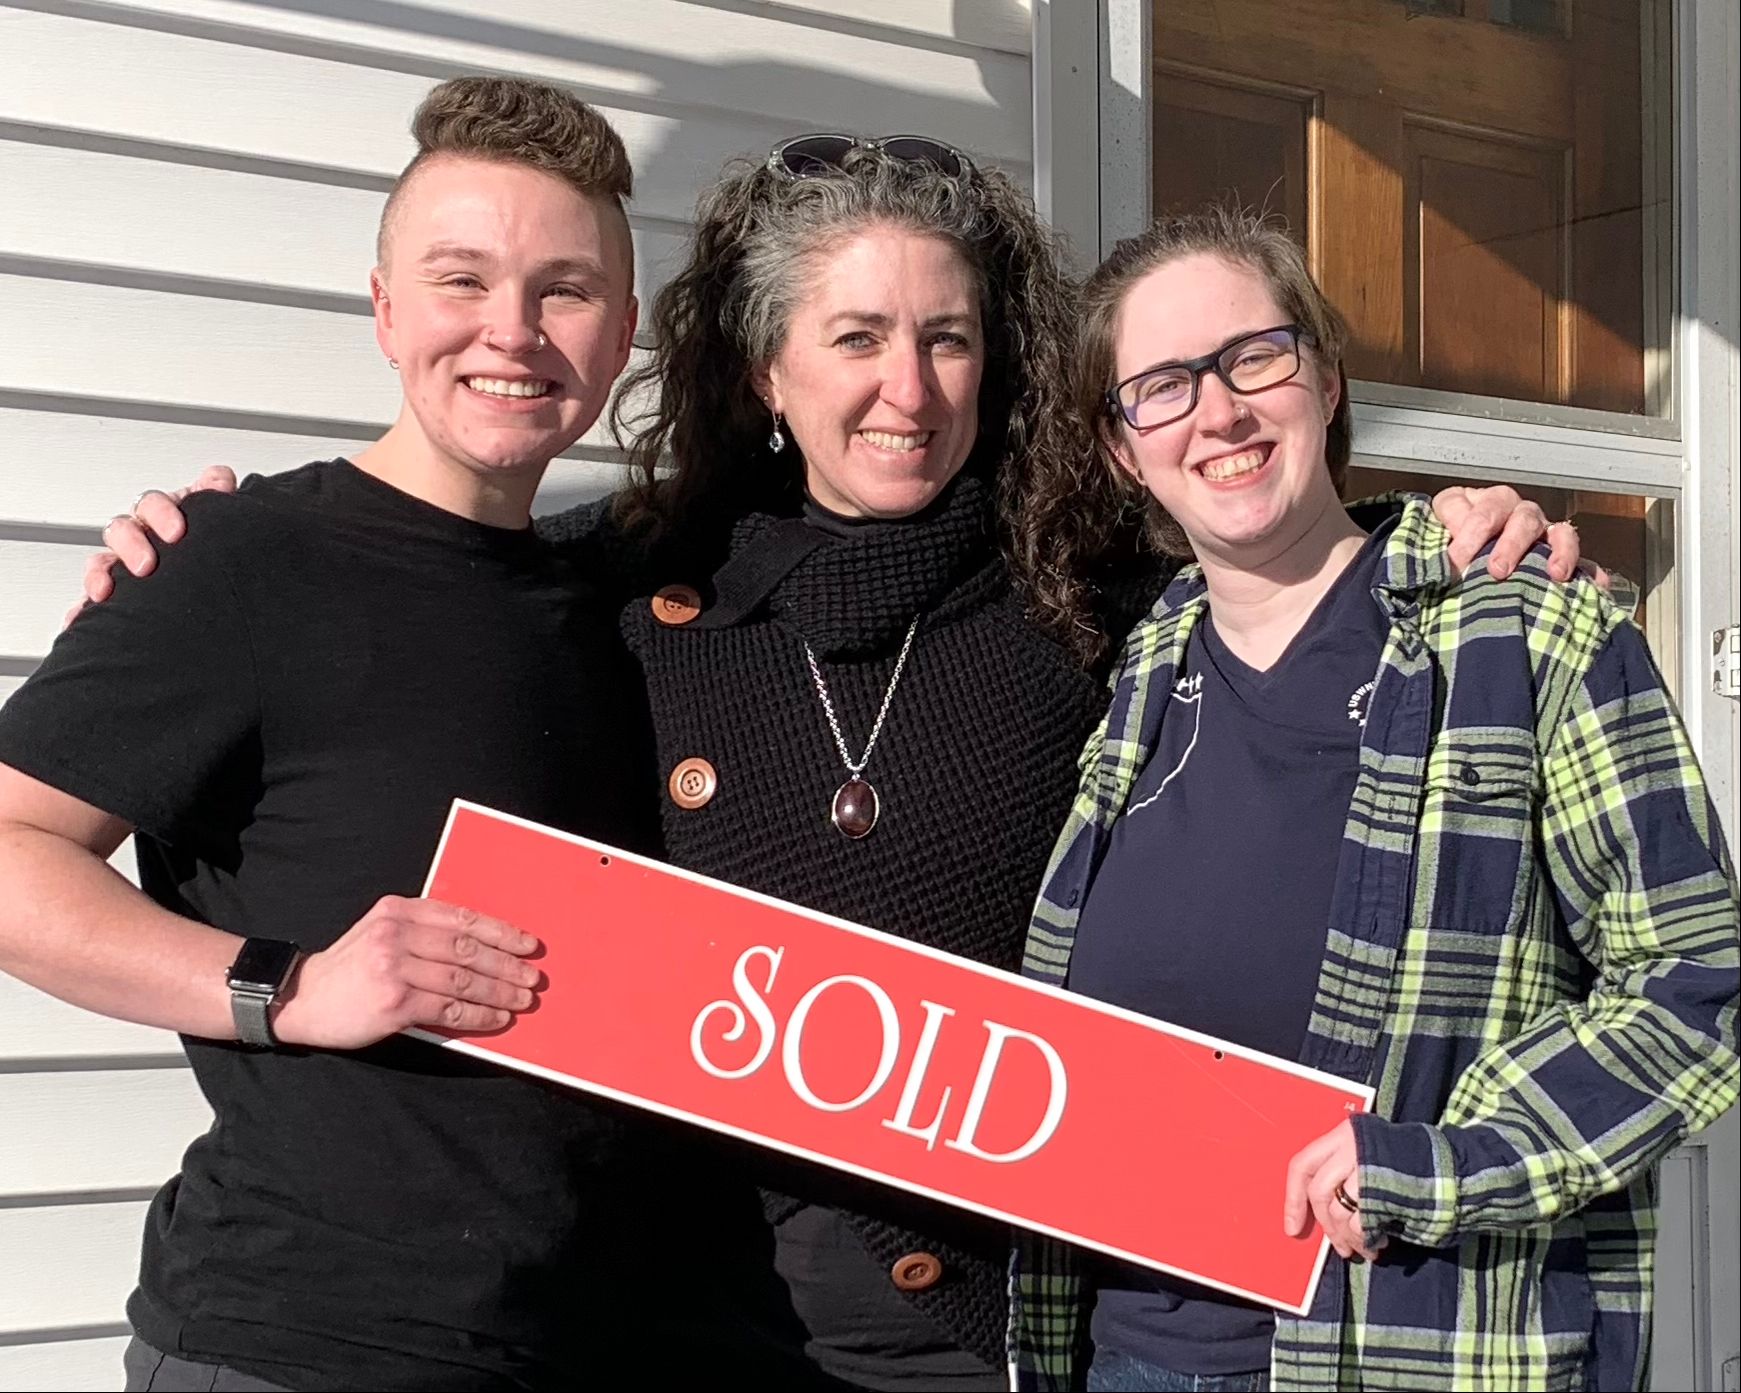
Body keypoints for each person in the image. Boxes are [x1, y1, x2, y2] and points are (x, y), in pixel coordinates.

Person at [74, 143, 1582, 1388]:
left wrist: (1445, 535)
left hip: (988, 1336)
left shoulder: (1099, 600)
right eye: (854, 339)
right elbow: (421, 569)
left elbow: (1277, 565)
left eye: (947, 338)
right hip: (671, 1331)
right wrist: (198, 535)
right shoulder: (631, 590)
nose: (906, 392)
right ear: (766, 373)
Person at [0, 76, 772, 1391]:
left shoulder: (622, 595)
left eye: (564, 289)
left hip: (588, 1343)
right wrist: (285, 988)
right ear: (384, 307)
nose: (512, 333)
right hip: (301, 1344)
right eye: (462, 280)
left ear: (625, 327)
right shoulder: (240, 561)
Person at [1006, 206, 1741, 1393]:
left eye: (1256, 356)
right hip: (1123, 1352)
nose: (1220, 410)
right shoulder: (1129, 673)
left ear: (1326, 376)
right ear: (1118, 447)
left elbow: (1697, 982)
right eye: (1162, 386)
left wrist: (1439, 1163)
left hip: (1414, 1351)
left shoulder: (1527, 633)